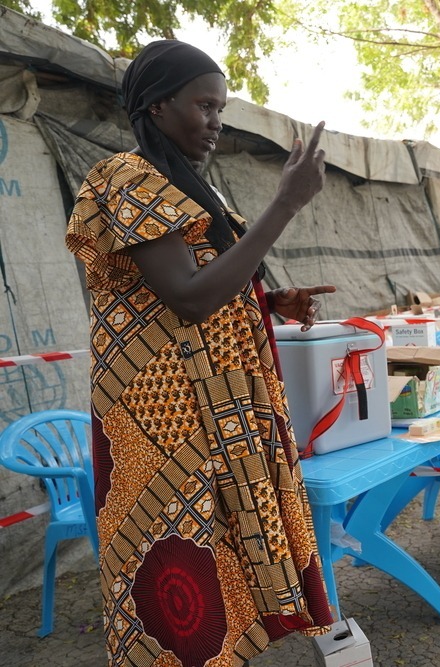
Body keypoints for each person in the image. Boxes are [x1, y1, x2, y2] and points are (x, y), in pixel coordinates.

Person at [64, 41, 336, 666]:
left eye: (221, 109)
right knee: (177, 557)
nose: (215, 121)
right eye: (204, 105)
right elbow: (187, 297)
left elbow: (212, 281)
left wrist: (268, 300)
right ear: (158, 106)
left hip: (219, 399)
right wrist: (287, 202)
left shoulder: (189, 187)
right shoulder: (126, 179)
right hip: (164, 412)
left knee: (222, 552)